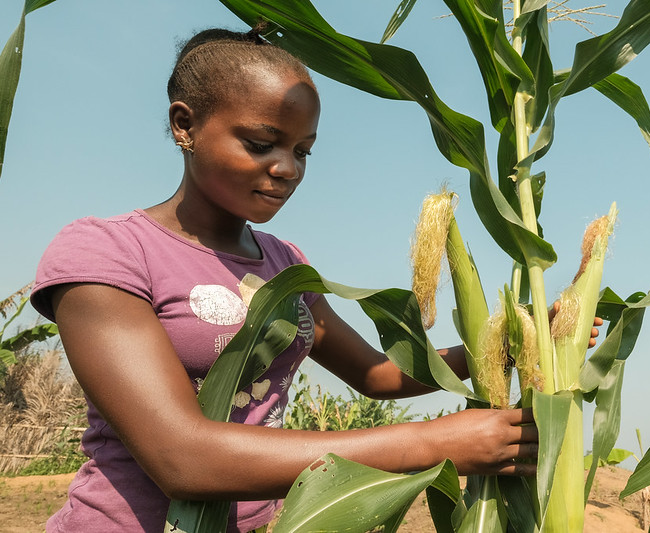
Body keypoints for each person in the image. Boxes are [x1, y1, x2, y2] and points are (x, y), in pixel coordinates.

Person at [30, 27, 599, 533]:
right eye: (261, 144)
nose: (287, 169)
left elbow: (380, 375)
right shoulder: (109, 252)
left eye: (303, 151)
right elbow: (182, 459)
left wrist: (512, 342)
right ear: (185, 124)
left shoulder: (284, 264)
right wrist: (437, 442)